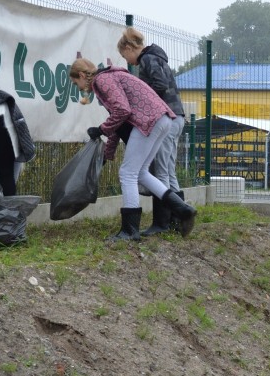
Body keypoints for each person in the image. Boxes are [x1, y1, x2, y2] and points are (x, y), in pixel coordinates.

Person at [69, 58, 197, 241]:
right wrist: (107, 154)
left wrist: (101, 129)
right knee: (141, 172)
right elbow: (119, 122)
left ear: (82, 75)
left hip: (149, 121)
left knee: (127, 173)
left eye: (76, 83)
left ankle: (130, 230)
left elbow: (122, 111)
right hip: (163, 119)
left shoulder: (101, 80)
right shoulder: (111, 76)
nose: (79, 88)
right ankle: (183, 210)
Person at [117, 27, 187, 236]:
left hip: (167, 116)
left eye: (125, 55)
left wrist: (143, 102)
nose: (127, 61)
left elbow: (160, 84)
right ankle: (179, 218)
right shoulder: (157, 57)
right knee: (168, 170)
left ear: (130, 48)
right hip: (177, 116)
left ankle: (162, 223)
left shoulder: (148, 59)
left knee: (161, 172)